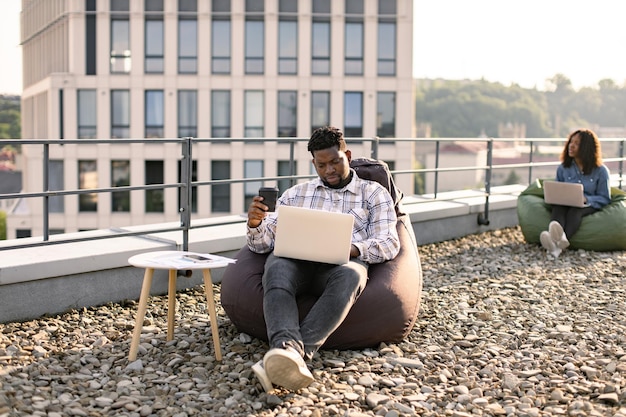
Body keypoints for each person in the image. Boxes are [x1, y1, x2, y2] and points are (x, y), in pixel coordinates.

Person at [245, 126, 400, 392]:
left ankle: (290, 354)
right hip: (297, 265)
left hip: (341, 265)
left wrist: (349, 249)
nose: (329, 170)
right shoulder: (295, 194)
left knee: (352, 275)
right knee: (276, 266)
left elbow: (389, 243)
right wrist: (255, 224)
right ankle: (290, 354)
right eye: (321, 164)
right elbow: (262, 245)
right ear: (313, 163)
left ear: (347, 155)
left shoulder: (373, 193)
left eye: (335, 162)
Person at [539, 129, 611, 258]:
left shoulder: (601, 171)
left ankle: (556, 245)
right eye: (571, 142)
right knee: (558, 207)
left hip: (587, 205)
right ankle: (558, 243)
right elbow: (558, 188)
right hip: (565, 203)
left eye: (576, 143)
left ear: (586, 148)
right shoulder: (563, 168)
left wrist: (586, 199)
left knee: (575, 209)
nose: (571, 145)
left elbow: (605, 197)